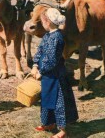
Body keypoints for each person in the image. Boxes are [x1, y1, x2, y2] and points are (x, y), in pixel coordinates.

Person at [30, 8, 78, 138]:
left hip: (56, 76)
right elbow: (40, 51)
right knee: (46, 98)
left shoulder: (57, 38)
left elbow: (52, 60)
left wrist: (41, 71)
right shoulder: (47, 35)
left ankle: (63, 131)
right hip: (46, 74)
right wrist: (35, 65)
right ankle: (49, 123)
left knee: (58, 101)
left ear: (48, 22)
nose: (41, 23)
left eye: (42, 21)